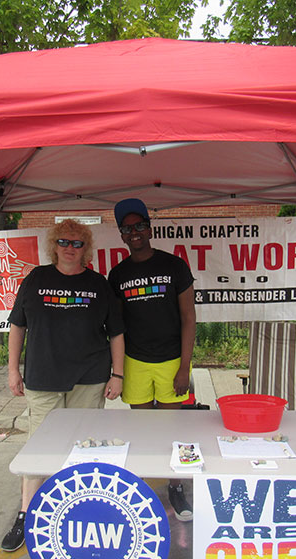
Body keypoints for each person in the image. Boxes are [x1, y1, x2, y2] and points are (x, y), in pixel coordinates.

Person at [0, 219, 125, 552]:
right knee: (39, 449)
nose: (71, 248)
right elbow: (17, 326)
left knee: (85, 448)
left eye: (77, 243)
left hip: (90, 377)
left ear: (86, 248)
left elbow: (116, 332)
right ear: (53, 246)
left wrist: (118, 374)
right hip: (43, 378)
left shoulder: (98, 284)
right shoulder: (36, 279)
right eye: (64, 243)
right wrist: (13, 370)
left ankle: (80, 508)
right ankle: (26, 515)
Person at [108, 198, 196, 522]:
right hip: (135, 363)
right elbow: (115, 328)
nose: (134, 232)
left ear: (149, 227)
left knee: (170, 429)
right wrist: (117, 371)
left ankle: (175, 486)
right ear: (121, 235)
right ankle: (143, 490)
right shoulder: (117, 275)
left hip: (172, 361)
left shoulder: (174, 266)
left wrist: (184, 367)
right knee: (143, 432)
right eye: (127, 228)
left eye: (139, 225)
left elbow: (189, 318)